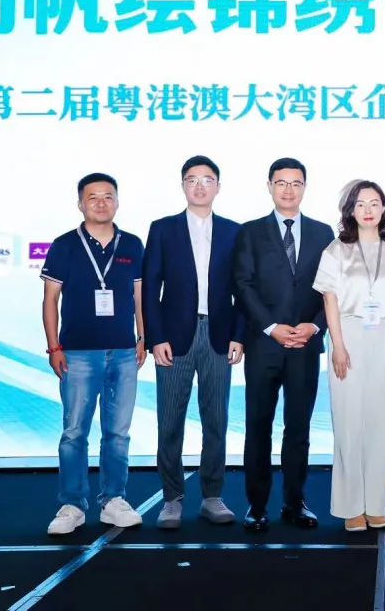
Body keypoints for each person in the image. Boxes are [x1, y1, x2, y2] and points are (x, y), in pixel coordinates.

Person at [232, 158, 336, 532]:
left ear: (305, 187)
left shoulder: (324, 233)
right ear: (269, 186)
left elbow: (333, 288)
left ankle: (295, 502)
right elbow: (242, 284)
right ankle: (257, 505)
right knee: (258, 426)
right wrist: (271, 327)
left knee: (299, 428)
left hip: (306, 344)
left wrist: (315, 326)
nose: (288, 190)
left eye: (296, 183)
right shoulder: (250, 232)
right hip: (264, 345)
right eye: (281, 183)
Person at [142, 155, 245, 529]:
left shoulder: (234, 231)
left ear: (218, 186)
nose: (200, 186)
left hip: (218, 335)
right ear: (182, 185)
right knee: (169, 422)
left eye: (207, 179)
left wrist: (239, 335)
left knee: (216, 420)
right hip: (174, 339)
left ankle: (212, 496)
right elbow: (150, 289)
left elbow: (242, 289)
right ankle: (172, 499)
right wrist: (155, 338)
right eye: (192, 179)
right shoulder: (162, 229)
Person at [41, 172, 147, 535]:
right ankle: (72, 504)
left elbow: (139, 297)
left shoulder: (132, 244)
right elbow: (50, 300)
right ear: (80, 204)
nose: (101, 203)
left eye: (107, 196)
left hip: (123, 352)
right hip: (77, 353)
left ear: (117, 202)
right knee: (74, 433)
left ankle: (113, 500)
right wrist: (54, 346)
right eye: (93, 197)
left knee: (117, 433)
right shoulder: (64, 245)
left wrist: (143, 338)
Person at [312, 181, 385, 532]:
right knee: (348, 420)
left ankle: (375, 503)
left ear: (384, 208)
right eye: (360, 204)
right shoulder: (336, 250)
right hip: (349, 333)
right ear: (350, 210)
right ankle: (351, 506)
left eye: (374, 203)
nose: (368, 210)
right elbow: (329, 299)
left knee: (381, 422)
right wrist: (338, 345)